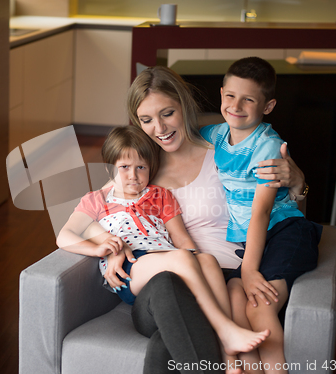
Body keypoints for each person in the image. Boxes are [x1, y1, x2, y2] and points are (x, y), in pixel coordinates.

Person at [103, 64, 308, 374]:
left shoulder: (225, 149)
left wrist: (298, 184)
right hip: (169, 283)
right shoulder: (140, 169)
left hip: (224, 275)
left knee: (169, 339)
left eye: (167, 114)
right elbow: (103, 209)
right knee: (172, 297)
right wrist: (113, 245)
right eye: (146, 120)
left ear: (184, 105)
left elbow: (279, 214)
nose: (159, 128)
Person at [56, 125, 271, 370]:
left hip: (167, 257)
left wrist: (198, 263)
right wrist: (100, 248)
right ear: (109, 168)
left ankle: (229, 356)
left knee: (207, 261)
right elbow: (65, 235)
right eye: (124, 167)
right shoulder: (97, 200)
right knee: (181, 259)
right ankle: (225, 329)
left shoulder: (159, 195)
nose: (133, 175)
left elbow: (181, 239)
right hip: (131, 268)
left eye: (141, 168)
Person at [199, 57, 322, 374]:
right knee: (237, 296)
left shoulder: (267, 147)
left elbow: (261, 213)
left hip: (285, 231)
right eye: (230, 96)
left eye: (248, 99)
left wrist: (251, 269)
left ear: (267, 106)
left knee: (261, 308)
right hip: (254, 239)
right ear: (222, 93)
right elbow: (181, 138)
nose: (236, 106)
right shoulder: (215, 135)